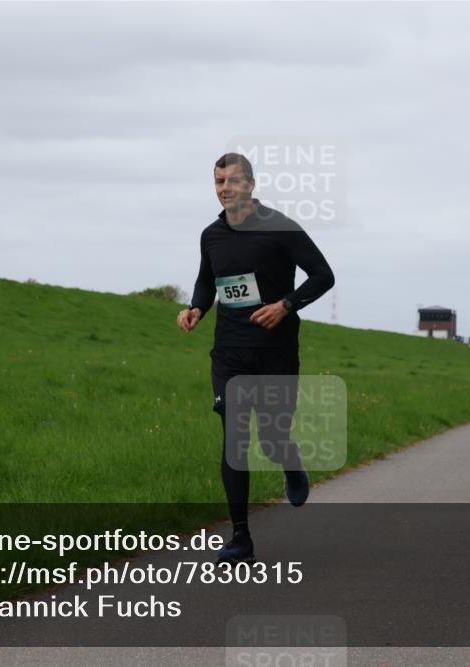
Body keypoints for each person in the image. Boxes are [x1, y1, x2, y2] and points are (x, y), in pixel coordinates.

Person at [177, 153, 335, 565]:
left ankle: (290, 460)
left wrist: (286, 304)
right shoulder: (211, 235)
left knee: (271, 436)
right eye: (217, 182)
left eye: (231, 181)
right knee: (235, 440)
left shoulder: (280, 228)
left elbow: (323, 275)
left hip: (275, 351)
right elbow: (206, 281)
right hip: (229, 352)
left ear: (250, 183)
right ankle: (241, 539)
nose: (224, 188)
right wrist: (196, 307)